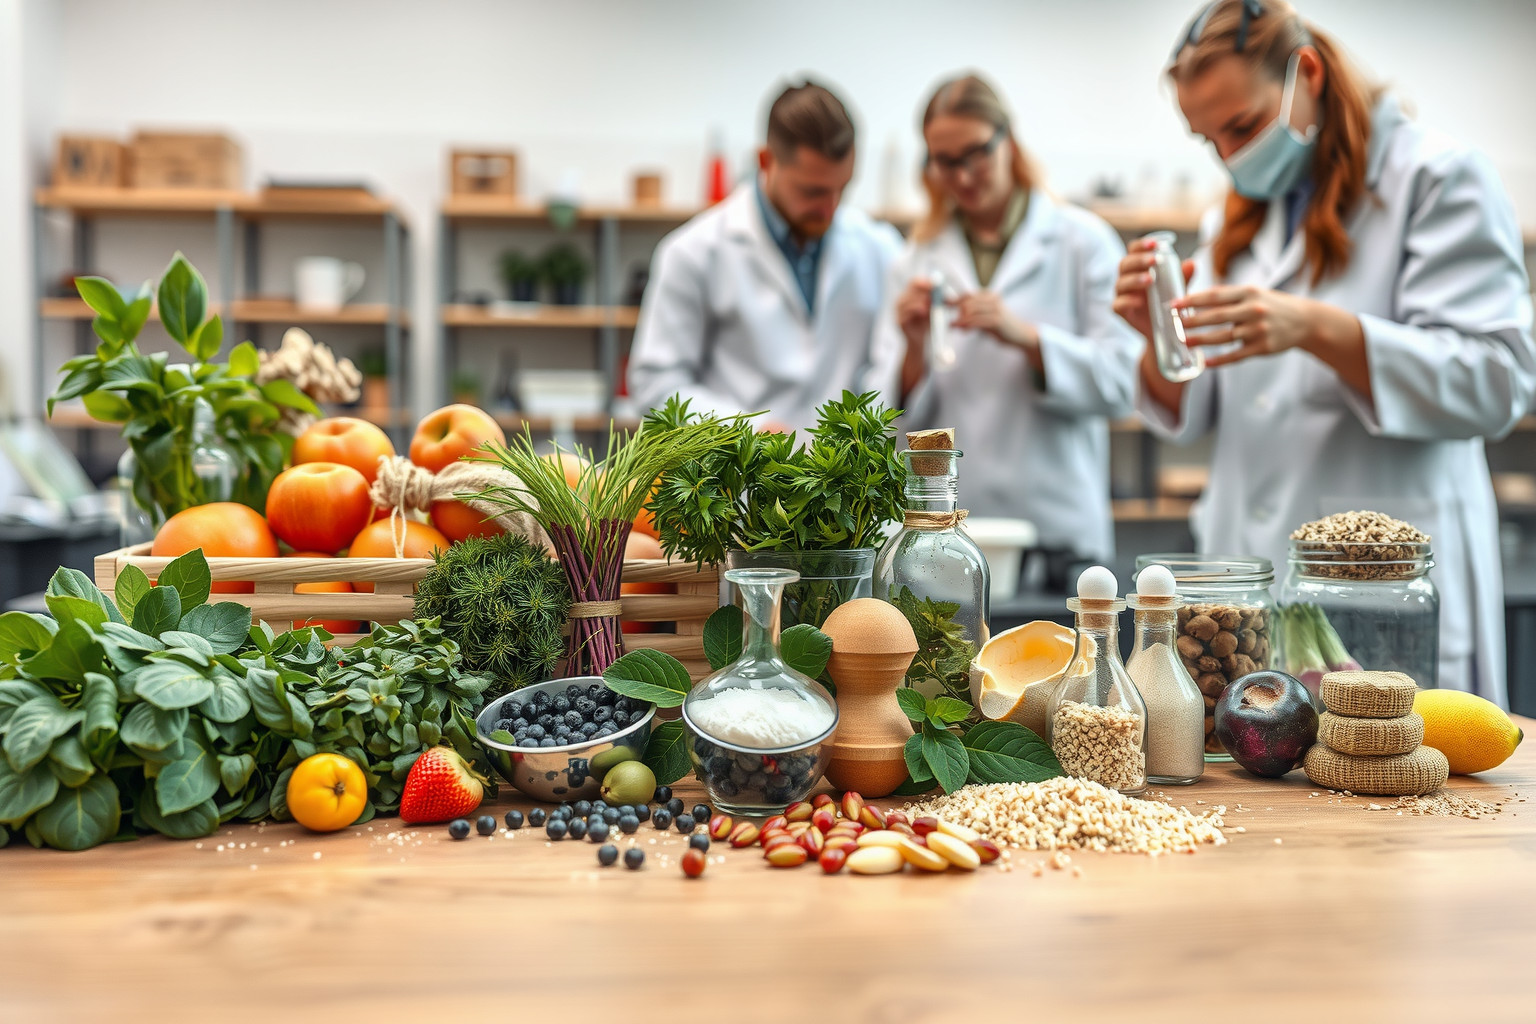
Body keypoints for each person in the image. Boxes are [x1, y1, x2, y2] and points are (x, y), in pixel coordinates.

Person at [1115, 0, 1536, 702]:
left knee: (1390, 775)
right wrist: (1156, 339)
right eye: (1210, 139)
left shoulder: (1436, 177)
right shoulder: (1234, 221)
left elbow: (1498, 380)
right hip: (1249, 595)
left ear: (1305, 72)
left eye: (1243, 127)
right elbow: (1193, 409)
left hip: (1382, 590)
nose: (1230, 156)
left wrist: (1316, 328)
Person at [875, 75, 1142, 561]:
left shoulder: (1083, 242)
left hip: (1056, 529)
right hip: (950, 534)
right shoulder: (913, 261)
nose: (961, 176)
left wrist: (1029, 339)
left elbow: (1124, 386)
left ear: (1009, 142)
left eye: (976, 153)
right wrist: (913, 350)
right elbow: (887, 429)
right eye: (945, 161)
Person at [628, 81, 904, 432]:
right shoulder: (694, 252)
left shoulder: (878, 248)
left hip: (845, 484)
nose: (830, 208)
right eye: (813, 192)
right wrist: (747, 429)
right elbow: (656, 387)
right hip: (739, 481)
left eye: (842, 189)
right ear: (766, 161)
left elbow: (887, 377)